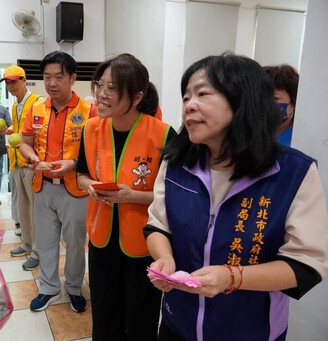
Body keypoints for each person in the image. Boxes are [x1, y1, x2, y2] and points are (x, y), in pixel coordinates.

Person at [144, 53, 328, 341]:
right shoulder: (176, 163)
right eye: (186, 97)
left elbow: (307, 264)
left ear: (243, 99)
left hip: (251, 332)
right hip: (177, 324)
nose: (189, 106)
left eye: (202, 93)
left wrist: (232, 277)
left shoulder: (294, 172)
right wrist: (164, 258)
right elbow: (157, 226)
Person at [76, 53, 176, 341]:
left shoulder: (163, 134)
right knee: (105, 317)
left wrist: (133, 195)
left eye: (112, 88)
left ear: (136, 96)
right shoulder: (92, 128)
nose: (101, 94)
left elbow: (171, 195)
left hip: (144, 244)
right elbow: (81, 174)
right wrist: (91, 186)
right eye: (100, 85)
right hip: (101, 241)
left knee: (140, 320)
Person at [20, 50, 97, 313]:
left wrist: (74, 164)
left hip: (75, 188)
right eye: (46, 77)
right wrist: (30, 157)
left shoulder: (90, 110)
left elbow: (98, 151)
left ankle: (74, 287)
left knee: (75, 242)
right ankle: (48, 287)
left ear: (73, 78)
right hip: (42, 186)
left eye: (58, 77)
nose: (52, 83)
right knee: (46, 240)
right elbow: (25, 143)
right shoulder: (36, 108)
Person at [0, 65, 43, 270]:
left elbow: (41, 132)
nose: (10, 85)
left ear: (24, 80)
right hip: (16, 162)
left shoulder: (38, 102)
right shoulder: (15, 105)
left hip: (31, 163)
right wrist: (9, 131)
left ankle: (37, 251)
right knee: (22, 207)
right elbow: (20, 131)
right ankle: (26, 244)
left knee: (35, 210)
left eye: (14, 81)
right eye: (7, 82)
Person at [263, 64, 299, 146]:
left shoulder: (299, 140)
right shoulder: (244, 136)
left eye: (275, 98)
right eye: (261, 97)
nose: (265, 103)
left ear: (294, 102)